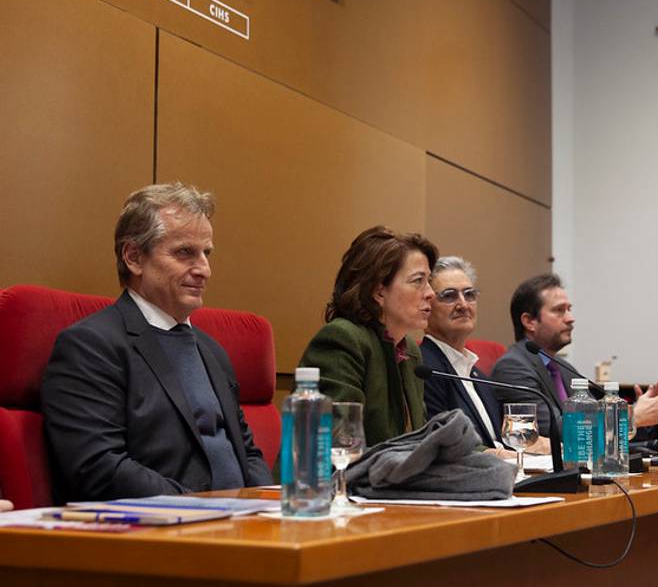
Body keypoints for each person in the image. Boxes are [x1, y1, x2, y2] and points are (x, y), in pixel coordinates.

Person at [41, 183, 272, 502]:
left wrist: (265, 504)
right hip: (158, 536)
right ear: (134, 257)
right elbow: (99, 468)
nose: (204, 269)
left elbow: (247, 452)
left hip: (241, 529)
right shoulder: (90, 346)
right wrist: (203, 509)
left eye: (206, 253)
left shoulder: (211, 351)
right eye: (184, 252)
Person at [299, 226, 438, 446]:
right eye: (418, 280)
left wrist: (487, 453)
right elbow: (338, 444)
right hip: (332, 479)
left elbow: (421, 437)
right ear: (378, 291)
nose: (431, 293)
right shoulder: (342, 340)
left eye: (429, 280)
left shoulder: (409, 349)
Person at [492, 273, 658, 438]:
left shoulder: (563, 368)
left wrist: (654, 416)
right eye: (559, 310)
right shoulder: (512, 368)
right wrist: (632, 417)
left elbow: (596, 422)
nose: (570, 318)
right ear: (529, 321)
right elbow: (552, 430)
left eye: (569, 309)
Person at [420, 256, 504, 448]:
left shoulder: (479, 376)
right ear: (426, 305)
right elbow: (440, 442)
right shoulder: (424, 368)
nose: (463, 305)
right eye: (449, 296)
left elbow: (499, 439)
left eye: (469, 294)